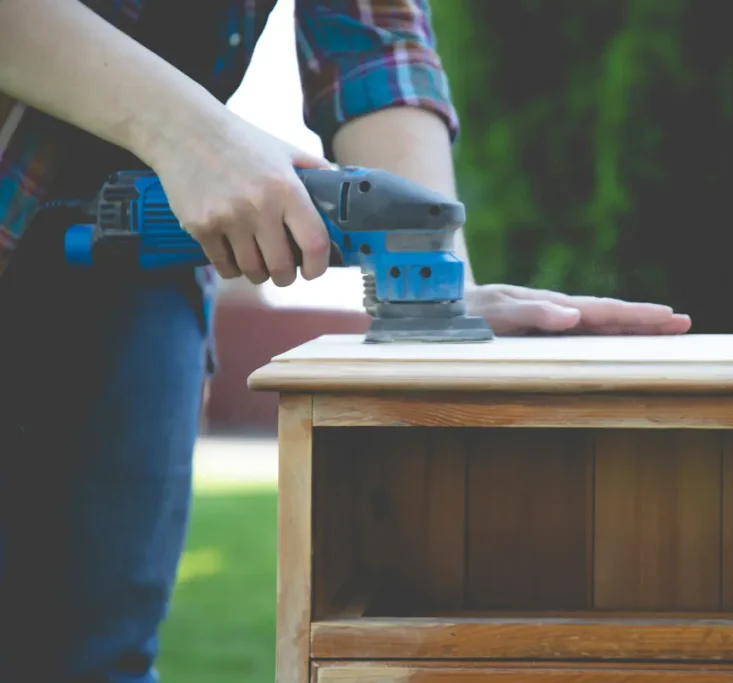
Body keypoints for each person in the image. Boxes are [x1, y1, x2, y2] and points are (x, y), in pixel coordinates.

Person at [0, 1, 691, 680]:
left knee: (94, 655)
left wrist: (438, 286)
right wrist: (192, 134)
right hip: (54, 187)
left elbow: (376, 39)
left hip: (137, 255)